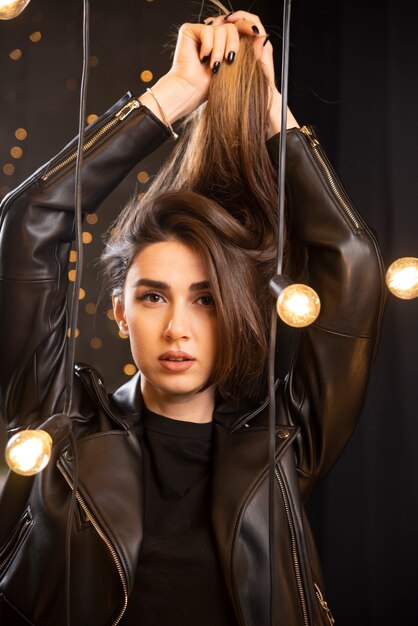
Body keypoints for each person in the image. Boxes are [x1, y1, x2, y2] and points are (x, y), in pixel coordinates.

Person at [0, 7, 385, 626]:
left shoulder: (287, 442)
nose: (178, 325)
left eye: (205, 299)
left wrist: (268, 112)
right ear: (119, 312)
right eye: (153, 296)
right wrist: (173, 94)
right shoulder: (59, 423)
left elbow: (353, 264)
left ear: (234, 312)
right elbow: (28, 228)